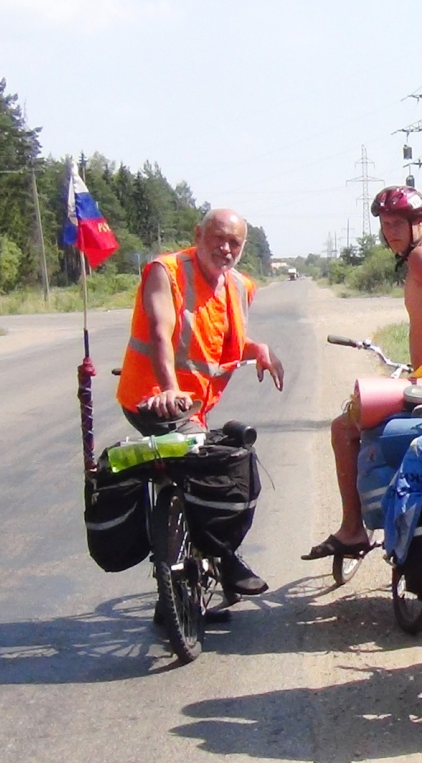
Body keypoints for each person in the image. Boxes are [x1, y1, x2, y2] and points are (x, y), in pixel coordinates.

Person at [305, 186, 422, 562]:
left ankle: (352, 529)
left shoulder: (420, 258)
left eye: (397, 225)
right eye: (385, 225)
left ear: (419, 223)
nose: (390, 233)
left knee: (343, 429)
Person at [116, 208, 285, 596]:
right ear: (198, 235)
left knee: (210, 461)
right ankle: (225, 556)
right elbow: (160, 331)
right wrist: (169, 388)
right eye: (217, 238)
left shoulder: (240, 286)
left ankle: (175, 589)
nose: (225, 248)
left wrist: (258, 348)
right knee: (225, 466)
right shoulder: (166, 271)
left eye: (234, 242)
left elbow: (225, 342)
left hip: (197, 407)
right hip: (153, 398)